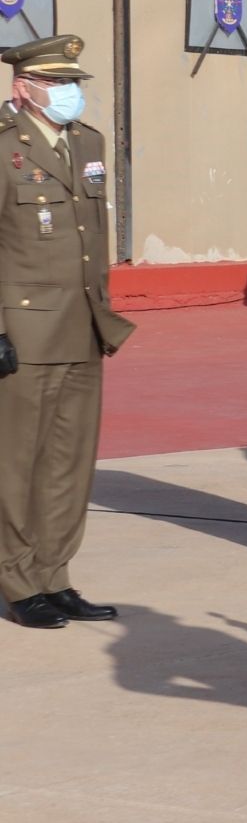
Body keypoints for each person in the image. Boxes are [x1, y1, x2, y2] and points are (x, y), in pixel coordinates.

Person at [0, 36, 136, 629]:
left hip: (82, 325)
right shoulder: (5, 148)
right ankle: (18, 578)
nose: (69, 93)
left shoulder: (89, 144)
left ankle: (55, 575)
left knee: (69, 461)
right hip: (25, 329)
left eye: (73, 83)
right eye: (55, 84)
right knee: (17, 461)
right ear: (21, 88)